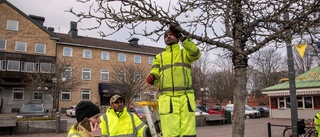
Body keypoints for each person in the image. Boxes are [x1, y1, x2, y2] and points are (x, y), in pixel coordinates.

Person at [147, 25, 201, 137]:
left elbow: (196, 53)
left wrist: (182, 37)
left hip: (185, 97)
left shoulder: (184, 52)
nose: (168, 36)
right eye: (166, 36)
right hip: (167, 99)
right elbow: (155, 71)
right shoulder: (159, 57)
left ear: (176, 37)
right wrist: (152, 77)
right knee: (170, 132)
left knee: (188, 132)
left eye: (171, 34)